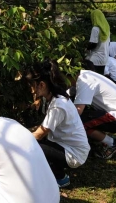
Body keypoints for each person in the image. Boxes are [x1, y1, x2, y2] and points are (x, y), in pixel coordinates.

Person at [24, 59, 90, 188]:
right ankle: (55, 172)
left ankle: (60, 178)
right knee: (37, 143)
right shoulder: (57, 97)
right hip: (68, 146)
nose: (31, 90)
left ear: (42, 85)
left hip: (74, 153)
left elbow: (38, 135)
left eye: (32, 85)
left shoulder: (58, 105)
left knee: (33, 146)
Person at [72, 62, 116, 159]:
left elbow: (77, 111)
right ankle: (102, 139)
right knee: (85, 117)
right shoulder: (87, 75)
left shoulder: (84, 81)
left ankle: (113, 144)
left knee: (79, 123)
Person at [85, 9, 111, 75]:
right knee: (100, 78)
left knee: (92, 77)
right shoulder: (106, 29)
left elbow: (93, 44)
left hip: (95, 58)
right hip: (104, 58)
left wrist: (87, 48)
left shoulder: (95, 29)